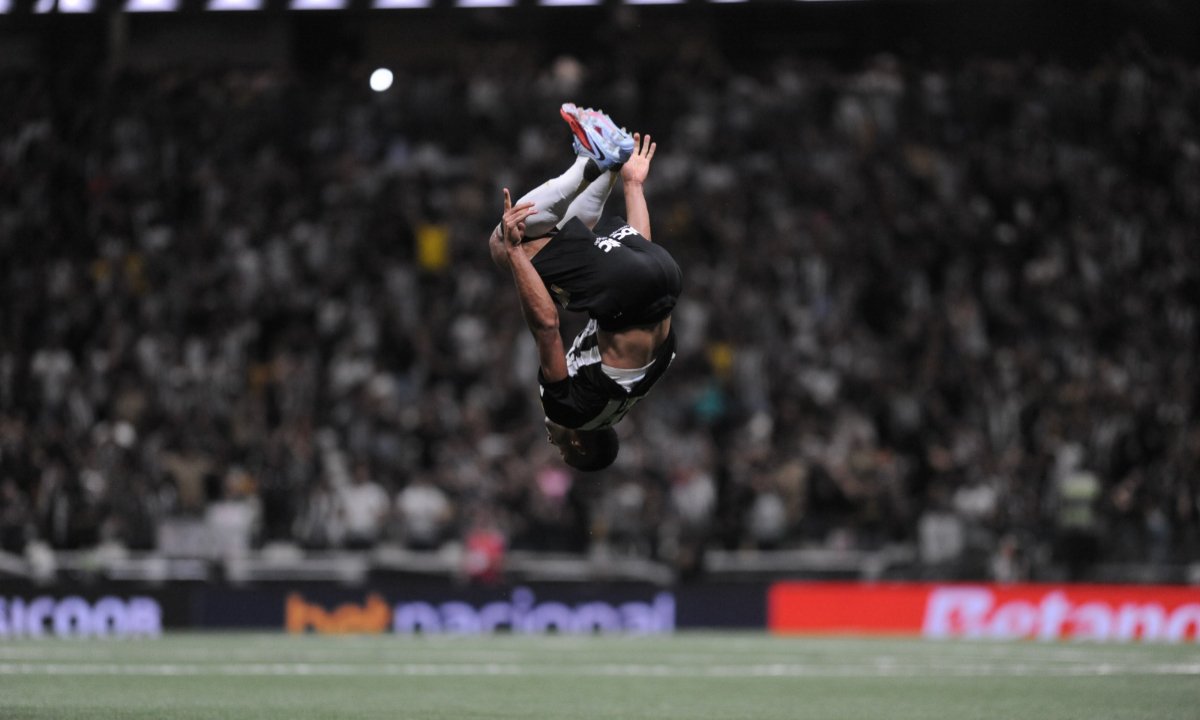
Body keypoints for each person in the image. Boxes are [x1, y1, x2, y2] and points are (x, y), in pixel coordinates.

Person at [489, 104, 682, 471]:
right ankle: (589, 165)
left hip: (664, 275)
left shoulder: (633, 394)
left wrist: (633, 186)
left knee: (562, 235)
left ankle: (609, 167)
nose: (552, 442)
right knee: (502, 245)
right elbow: (547, 329)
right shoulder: (570, 410)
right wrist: (516, 254)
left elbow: (644, 278)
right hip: (626, 292)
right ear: (577, 443)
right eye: (561, 450)